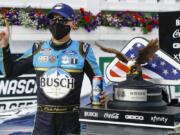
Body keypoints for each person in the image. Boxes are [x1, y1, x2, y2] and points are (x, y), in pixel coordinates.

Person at [0, 3, 106, 135]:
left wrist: (100, 95)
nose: (57, 23)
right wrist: (4, 47)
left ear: (73, 23)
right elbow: (10, 72)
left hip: (70, 121)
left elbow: (98, 79)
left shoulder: (83, 50)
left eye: (62, 20)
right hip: (43, 122)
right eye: (53, 19)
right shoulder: (37, 49)